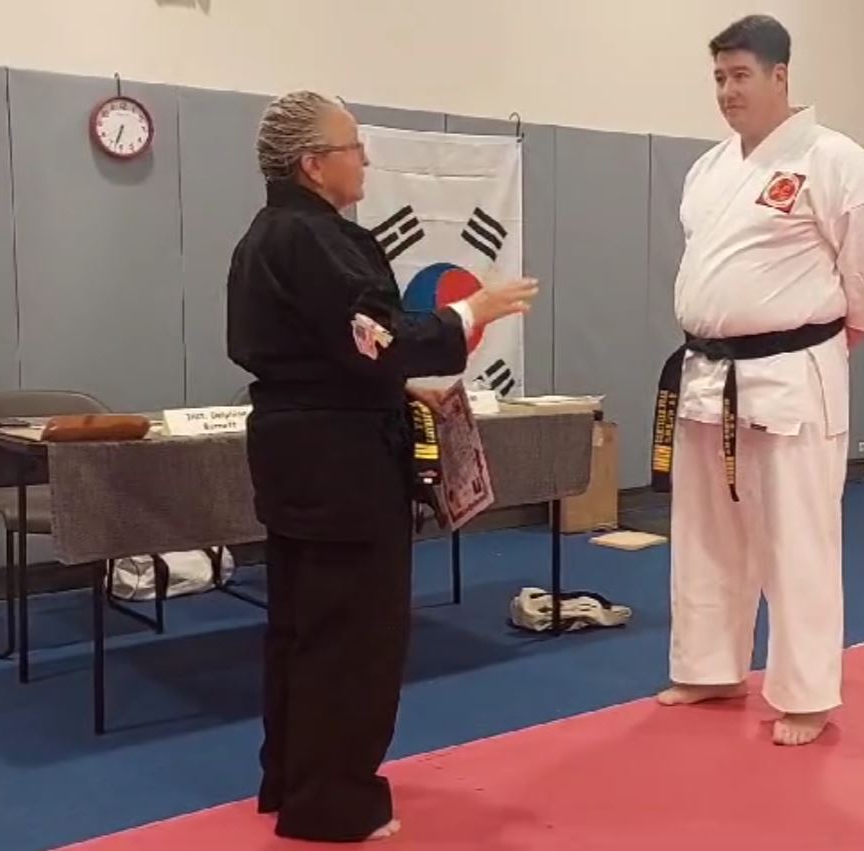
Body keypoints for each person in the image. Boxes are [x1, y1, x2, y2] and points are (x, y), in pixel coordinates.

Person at [226, 92, 536, 842]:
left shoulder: (264, 237)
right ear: (313, 164)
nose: (363, 159)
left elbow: (329, 351)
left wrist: (394, 386)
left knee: (302, 626)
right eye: (352, 147)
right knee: (353, 636)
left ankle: (291, 779)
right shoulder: (317, 239)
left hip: (295, 448)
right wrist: (472, 311)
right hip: (341, 462)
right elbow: (379, 338)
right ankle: (333, 803)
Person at [650, 15, 864, 746]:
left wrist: (831, 338)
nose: (727, 91)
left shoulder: (833, 159)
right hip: (708, 373)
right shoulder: (710, 169)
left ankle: (805, 693)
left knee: (797, 538)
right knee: (705, 531)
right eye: (719, 78)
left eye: (741, 75)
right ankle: (709, 667)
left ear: (780, 76)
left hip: (792, 373)